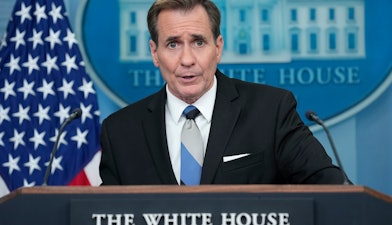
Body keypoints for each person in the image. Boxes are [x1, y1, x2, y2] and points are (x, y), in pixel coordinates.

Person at [99, 0, 349, 185]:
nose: (187, 59)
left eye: (199, 42)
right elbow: (101, 213)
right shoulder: (120, 132)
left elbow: (330, 189)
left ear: (218, 48)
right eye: (173, 44)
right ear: (154, 53)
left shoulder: (271, 111)